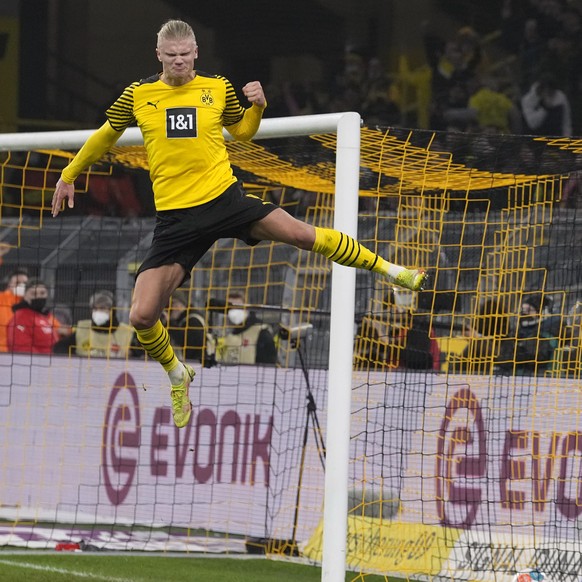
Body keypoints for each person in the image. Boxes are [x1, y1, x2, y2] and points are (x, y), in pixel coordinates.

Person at [51, 19, 426, 429]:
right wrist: (69, 174)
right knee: (141, 316)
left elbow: (243, 133)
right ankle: (179, 374)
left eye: (185, 55)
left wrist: (259, 107)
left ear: (196, 53)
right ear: (158, 55)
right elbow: (105, 136)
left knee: (300, 234)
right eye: (170, 56)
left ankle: (393, 271)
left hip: (225, 200)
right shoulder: (138, 94)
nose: (178, 62)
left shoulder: (217, 88)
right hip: (176, 220)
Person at [53, 290, 136, 358]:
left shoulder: (127, 332)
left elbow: (141, 355)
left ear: (112, 310)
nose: (98, 311)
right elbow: (59, 348)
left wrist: (132, 356)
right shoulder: (83, 328)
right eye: (95, 308)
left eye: (102, 308)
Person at [495, 293, 560, 376]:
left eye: (529, 310)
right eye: (523, 310)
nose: (524, 313)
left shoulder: (546, 336)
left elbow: (532, 357)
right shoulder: (514, 335)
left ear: (541, 313)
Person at [216, 291, 277, 365]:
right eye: (230, 308)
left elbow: (268, 363)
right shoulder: (225, 333)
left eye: (238, 307)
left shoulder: (261, 332)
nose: (234, 311)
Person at [7, 278, 59, 354]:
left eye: (42, 293)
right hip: (36, 363)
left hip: (52, 362)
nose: (38, 296)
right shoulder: (20, 318)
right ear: (25, 296)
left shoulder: (45, 317)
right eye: (33, 294)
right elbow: (21, 350)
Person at [165, 289, 215, 366]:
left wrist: (170, 324)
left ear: (178, 305)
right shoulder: (185, 320)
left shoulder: (193, 320)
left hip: (198, 367)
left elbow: (189, 344)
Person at [0, 267, 29, 352]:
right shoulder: (1, 298)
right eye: (17, 283)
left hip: (22, 353)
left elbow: (53, 324)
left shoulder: (32, 304)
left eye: (24, 283)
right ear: (9, 284)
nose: (21, 285)